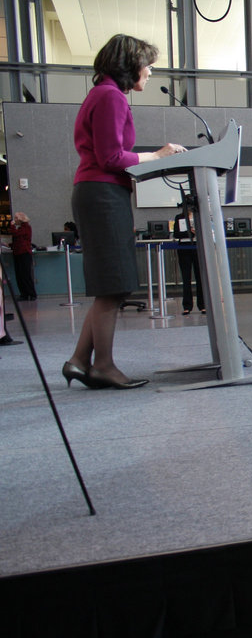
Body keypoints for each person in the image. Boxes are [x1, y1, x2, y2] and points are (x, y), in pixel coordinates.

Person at [64, 34, 187, 390]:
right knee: (113, 286)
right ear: (130, 64)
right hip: (102, 194)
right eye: (147, 64)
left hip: (98, 192)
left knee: (110, 285)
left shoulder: (103, 94)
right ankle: (102, 365)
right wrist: (158, 155)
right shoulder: (110, 96)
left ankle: (78, 360)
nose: (150, 71)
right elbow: (111, 158)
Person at [173, 203, 204, 315]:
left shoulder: (199, 216)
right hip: (184, 248)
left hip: (197, 247)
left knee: (200, 277)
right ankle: (187, 305)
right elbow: (176, 234)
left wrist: (196, 232)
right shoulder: (179, 217)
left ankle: (202, 305)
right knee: (186, 278)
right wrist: (189, 232)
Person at [10, 212, 35, 301]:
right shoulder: (21, 228)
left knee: (25, 274)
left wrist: (12, 226)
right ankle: (24, 294)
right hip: (18, 253)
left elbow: (16, 234)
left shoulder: (26, 227)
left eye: (16, 218)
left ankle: (31, 294)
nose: (14, 220)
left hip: (24, 253)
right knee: (19, 275)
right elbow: (18, 239)